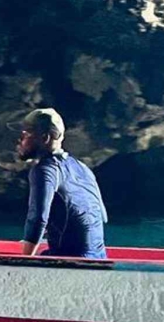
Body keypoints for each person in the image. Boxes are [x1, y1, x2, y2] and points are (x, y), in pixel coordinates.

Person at [17, 108, 108, 259]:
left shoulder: (45, 170)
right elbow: (102, 216)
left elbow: (38, 218)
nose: (20, 140)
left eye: (26, 134)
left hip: (72, 260)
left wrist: (24, 260)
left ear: (45, 138)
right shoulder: (82, 167)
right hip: (99, 257)